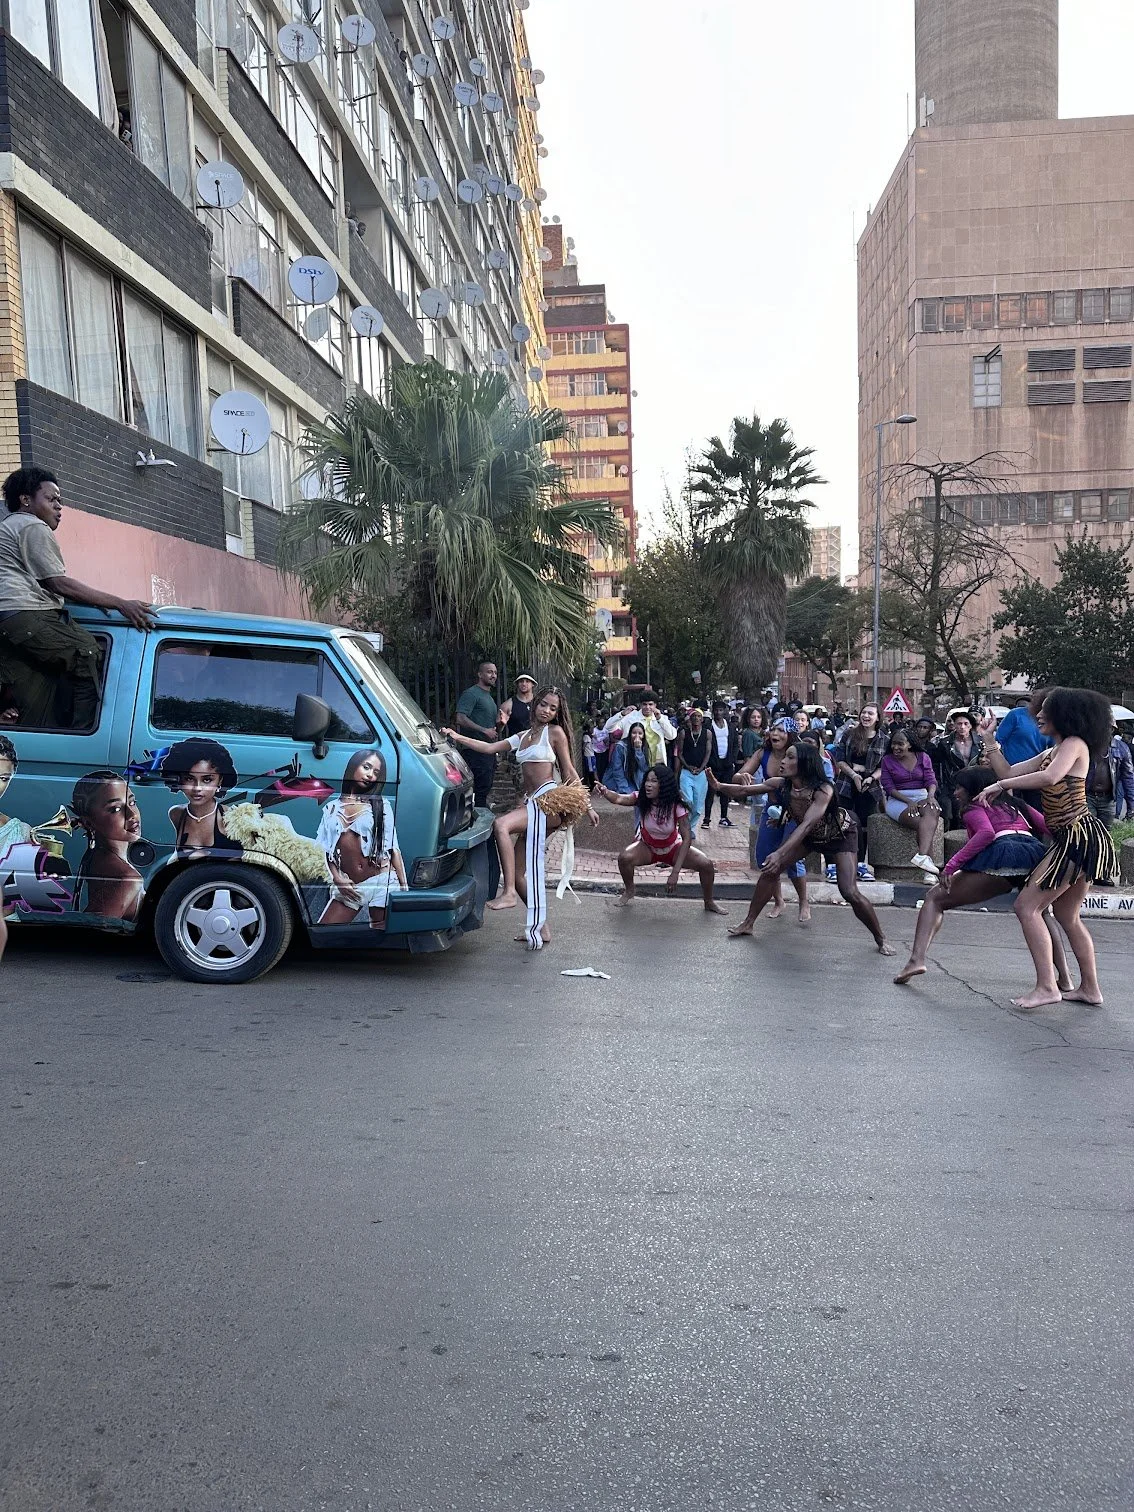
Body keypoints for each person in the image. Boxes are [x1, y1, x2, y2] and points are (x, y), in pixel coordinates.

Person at [977, 690, 1118, 1007]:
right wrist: (989, 741)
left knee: (1027, 907)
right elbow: (1010, 771)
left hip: (1075, 838)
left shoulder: (1073, 745)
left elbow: (1049, 777)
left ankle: (1047, 987)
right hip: (1073, 838)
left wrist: (1001, 786)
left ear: (1066, 715)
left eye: (1045, 711)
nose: (1037, 714)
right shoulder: (1053, 750)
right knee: (1067, 916)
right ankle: (1090, 989)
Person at [443, 686, 598, 949]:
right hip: (532, 803)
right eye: (544, 705)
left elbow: (569, 768)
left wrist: (588, 805)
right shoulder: (524, 736)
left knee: (501, 824)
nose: (547, 711)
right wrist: (457, 736)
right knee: (520, 873)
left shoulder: (555, 733)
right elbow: (489, 747)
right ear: (535, 704)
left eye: (553, 708)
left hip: (548, 802)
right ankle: (541, 928)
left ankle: (509, 893)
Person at [0, 467, 154, 729]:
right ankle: (86, 732)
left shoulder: (9, 526)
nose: (59, 507)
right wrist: (120, 603)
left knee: (39, 700)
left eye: (60, 500)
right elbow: (57, 582)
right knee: (88, 652)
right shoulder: (31, 525)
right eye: (51, 499)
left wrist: (93, 600)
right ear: (26, 500)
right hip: (26, 615)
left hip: (10, 622)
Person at [894, 766, 1071, 988]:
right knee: (1042, 913)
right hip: (1035, 856)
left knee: (934, 899)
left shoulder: (975, 806)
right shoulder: (1018, 805)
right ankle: (1064, 977)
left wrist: (951, 865)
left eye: (960, 788)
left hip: (1002, 856)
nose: (955, 793)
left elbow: (986, 833)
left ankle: (916, 960)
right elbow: (1050, 827)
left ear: (976, 789)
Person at [718, 743, 892, 953]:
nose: (783, 761)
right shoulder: (782, 784)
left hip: (840, 835)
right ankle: (748, 924)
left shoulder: (823, 789)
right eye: (784, 757)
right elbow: (744, 789)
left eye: (790, 757)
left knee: (849, 891)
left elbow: (807, 823)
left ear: (805, 763)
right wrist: (718, 786)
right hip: (810, 836)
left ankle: (881, 939)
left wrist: (780, 852)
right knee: (770, 870)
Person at [596, 764, 727, 915]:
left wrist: (675, 872)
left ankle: (709, 902)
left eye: (654, 781)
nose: (648, 785)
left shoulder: (676, 805)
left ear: (663, 785)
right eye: (647, 781)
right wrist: (605, 791)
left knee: (707, 865)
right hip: (647, 847)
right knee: (624, 858)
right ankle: (630, 889)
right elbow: (619, 798)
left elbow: (686, 839)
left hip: (673, 848)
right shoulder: (641, 799)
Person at [728, 717, 810, 921]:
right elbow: (738, 776)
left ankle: (803, 902)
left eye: (781, 731)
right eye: (773, 729)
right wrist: (742, 777)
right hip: (772, 809)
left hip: (795, 810)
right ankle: (779, 900)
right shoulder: (762, 753)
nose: (775, 734)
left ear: (790, 735)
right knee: (765, 857)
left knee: (790, 858)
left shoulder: (798, 754)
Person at [317, 749, 406, 928]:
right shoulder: (331, 809)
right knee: (325, 929)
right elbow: (324, 851)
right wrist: (337, 878)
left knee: (382, 938)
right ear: (353, 766)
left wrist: (404, 889)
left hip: (382, 880)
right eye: (367, 767)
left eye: (376, 772)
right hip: (351, 885)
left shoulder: (381, 805)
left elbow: (393, 849)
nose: (370, 775)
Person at [70, 770, 145, 921]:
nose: (132, 815)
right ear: (88, 822)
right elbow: (90, 932)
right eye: (116, 809)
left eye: (132, 802)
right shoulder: (126, 878)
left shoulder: (97, 858)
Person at [160, 737, 244, 857]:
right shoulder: (176, 814)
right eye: (189, 779)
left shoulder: (231, 818)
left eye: (207, 780)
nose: (197, 788)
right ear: (178, 779)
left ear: (220, 780)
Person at [830, 703, 886, 879]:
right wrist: (854, 774)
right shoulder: (849, 734)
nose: (866, 716)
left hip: (870, 787)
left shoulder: (884, 739)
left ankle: (861, 864)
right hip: (846, 783)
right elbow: (839, 760)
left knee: (864, 825)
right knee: (841, 822)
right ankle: (835, 864)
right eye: (864, 713)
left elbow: (885, 766)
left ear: (878, 717)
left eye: (870, 713)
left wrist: (870, 777)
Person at [879, 728, 941, 881]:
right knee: (923, 824)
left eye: (900, 744)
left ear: (910, 745)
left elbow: (931, 780)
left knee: (932, 811)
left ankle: (922, 857)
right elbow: (888, 787)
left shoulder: (923, 757)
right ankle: (929, 870)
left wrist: (931, 796)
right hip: (898, 799)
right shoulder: (887, 760)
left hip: (922, 795)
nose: (895, 748)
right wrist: (909, 802)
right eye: (893, 744)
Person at [455, 661, 499, 807]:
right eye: (489, 672)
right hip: (474, 752)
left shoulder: (489, 698)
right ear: (480, 674)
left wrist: (500, 723)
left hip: (488, 752)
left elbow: (491, 730)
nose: (493, 675)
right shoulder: (472, 693)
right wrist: (483, 730)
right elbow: (460, 718)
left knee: (484, 790)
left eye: (495, 673)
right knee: (478, 792)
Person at [931, 711, 983, 831]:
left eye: (965, 723)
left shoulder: (980, 742)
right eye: (959, 724)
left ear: (970, 725)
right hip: (952, 785)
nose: (962, 727)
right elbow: (937, 766)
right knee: (951, 817)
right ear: (954, 725)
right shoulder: (944, 743)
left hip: (975, 784)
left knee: (973, 816)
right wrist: (939, 786)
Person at [1085, 724, 1134, 830]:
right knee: (1089, 831)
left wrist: (1131, 806)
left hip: (1108, 799)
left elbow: (1128, 777)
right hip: (1088, 797)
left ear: (1111, 729)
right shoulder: (1088, 745)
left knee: (1107, 833)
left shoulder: (1122, 748)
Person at [674, 705, 712, 836]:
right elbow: (679, 753)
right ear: (690, 719)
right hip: (686, 772)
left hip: (701, 774)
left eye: (699, 716)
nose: (696, 718)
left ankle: (690, 828)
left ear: (702, 719)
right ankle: (683, 825)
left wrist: (701, 768)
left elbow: (708, 752)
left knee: (697, 807)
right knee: (687, 800)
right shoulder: (684, 733)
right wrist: (688, 767)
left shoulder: (707, 733)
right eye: (694, 716)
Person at [705, 698, 740, 827]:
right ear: (713, 712)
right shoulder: (708, 726)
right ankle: (707, 819)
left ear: (725, 711)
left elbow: (736, 744)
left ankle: (724, 818)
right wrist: (709, 761)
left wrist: (732, 759)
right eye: (716, 710)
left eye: (721, 710)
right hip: (713, 764)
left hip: (727, 764)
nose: (718, 713)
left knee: (726, 791)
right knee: (710, 792)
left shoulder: (730, 727)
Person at [993, 690, 1052, 766]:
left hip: (1035, 771)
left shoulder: (1052, 722)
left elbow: (1052, 749)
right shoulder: (1016, 714)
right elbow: (998, 741)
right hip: (1010, 768)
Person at [605, 722, 650, 796]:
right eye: (634, 733)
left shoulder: (644, 746)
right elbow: (617, 769)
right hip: (620, 780)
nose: (637, 736)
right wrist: (624, 789)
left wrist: (638, 750)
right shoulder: (621, 746)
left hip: (634, 779)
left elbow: (644, 768)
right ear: (630, 734)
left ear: (644, 735)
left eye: (640, 733)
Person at [498, 673, 536, 738]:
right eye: (521, 681)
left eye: (527, 681)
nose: (524, 684)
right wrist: (501, 724)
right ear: (517, 684)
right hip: (516, 745)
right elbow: (498, 730)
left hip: (536, 744)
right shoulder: (507, 705)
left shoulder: (540, 703)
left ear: (533, 684)